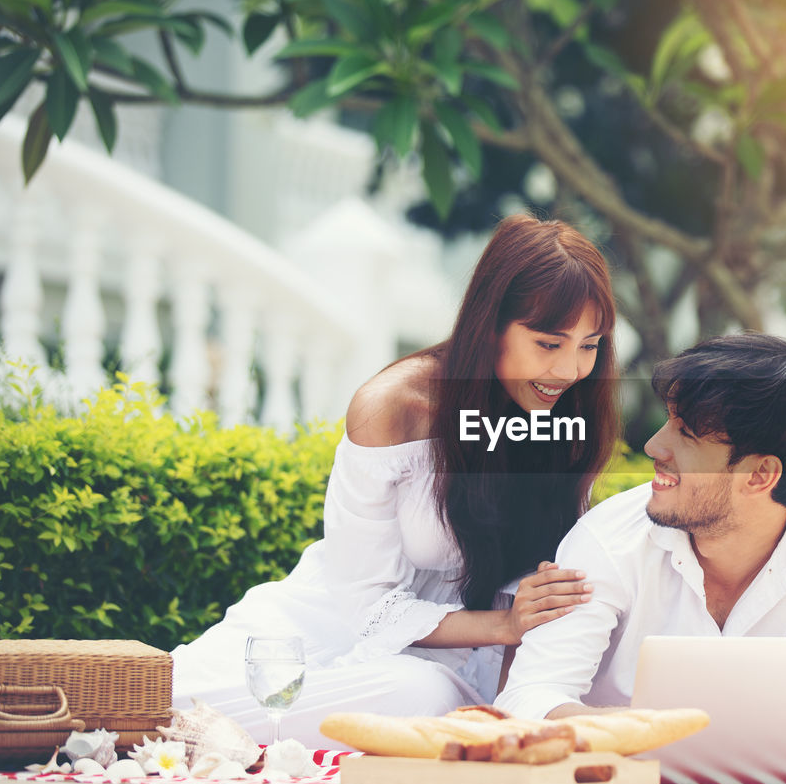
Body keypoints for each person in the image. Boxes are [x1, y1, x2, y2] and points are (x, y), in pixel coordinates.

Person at [171, 215, 619, 746]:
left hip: (456, 668)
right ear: (492, 324)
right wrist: (504, 626)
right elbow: (369, 609)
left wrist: (519, 697)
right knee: (153, 704)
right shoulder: (394, 409)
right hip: (327, 634)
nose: (569, 371)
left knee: (445, 702)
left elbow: (539, 601)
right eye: (549, 344)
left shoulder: (566, 415)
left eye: (589, 346)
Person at [494, 333, 786, 720]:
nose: (653, 447)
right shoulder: (606, 540)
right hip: (622, 767)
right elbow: (528, 697)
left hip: (763, 775)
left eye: (686, 434)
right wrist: (655, 730)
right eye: (669, 421)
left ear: (760, 475)